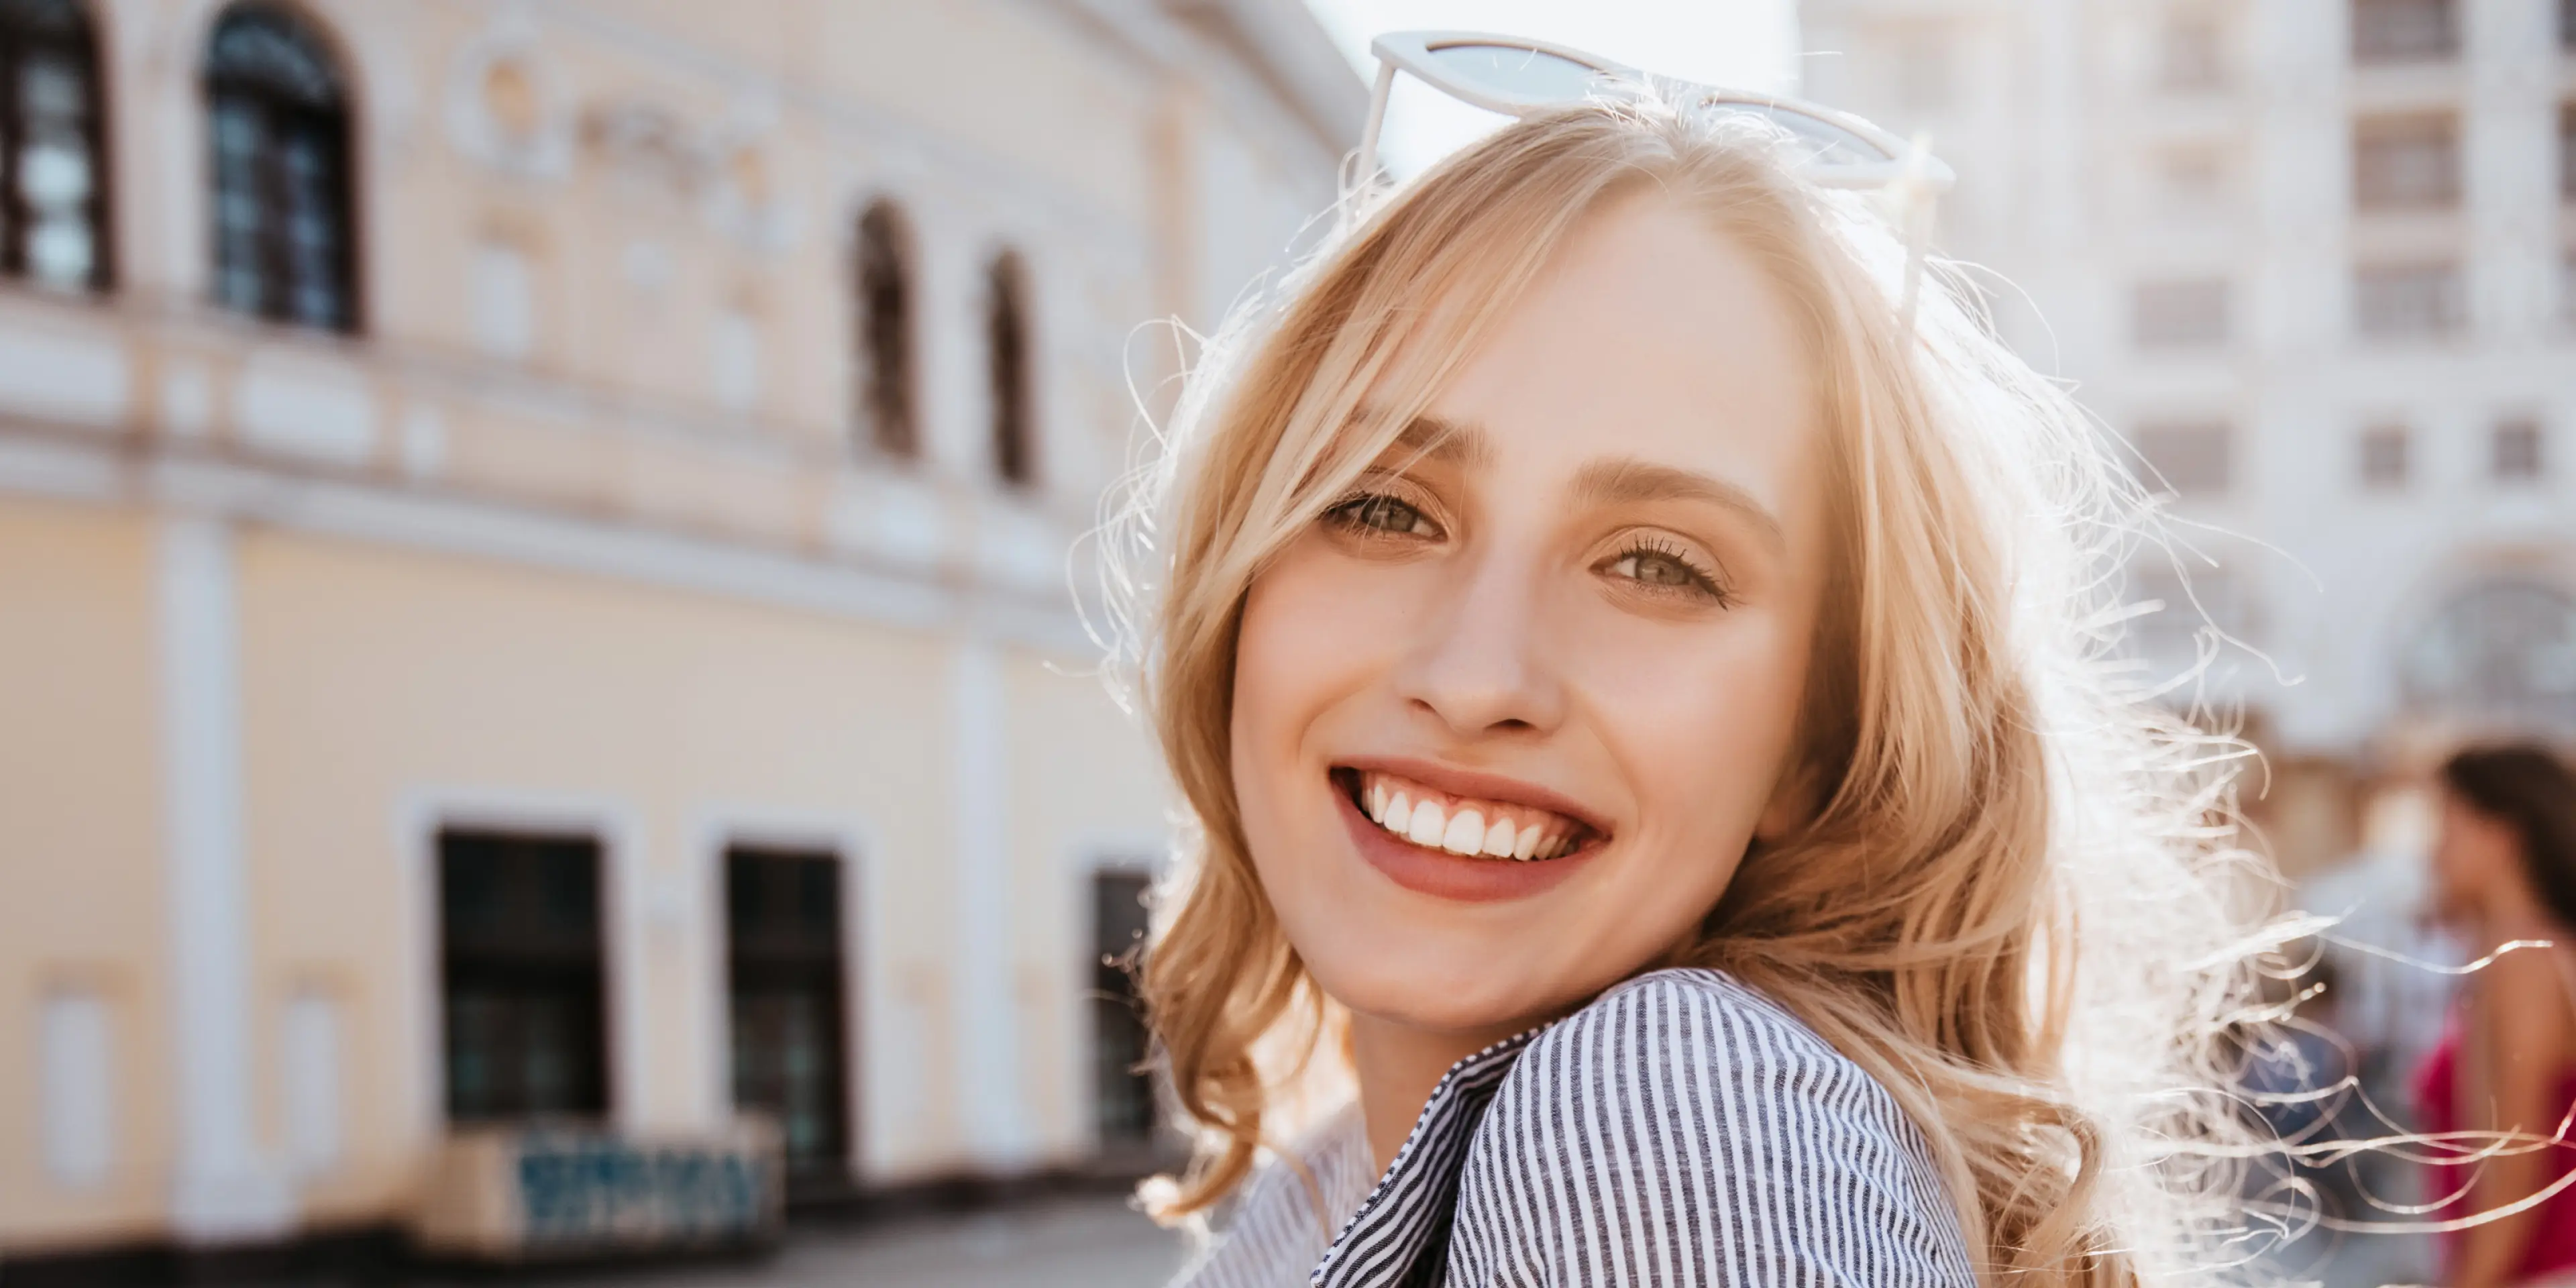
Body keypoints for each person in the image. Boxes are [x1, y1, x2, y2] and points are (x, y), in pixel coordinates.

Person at [1101, 55, 2267, 1288]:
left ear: (1822, 737)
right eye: (1384, 508)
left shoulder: (1660, 1128)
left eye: (1656, 565)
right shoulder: (1316, 1189)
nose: (1476, 676)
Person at [2416, 744, 2576, 1288]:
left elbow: (2513, 1170)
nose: (2434, 853)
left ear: (2503, 836)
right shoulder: (2528, 953)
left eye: (2448, 827)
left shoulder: (2520, 960)